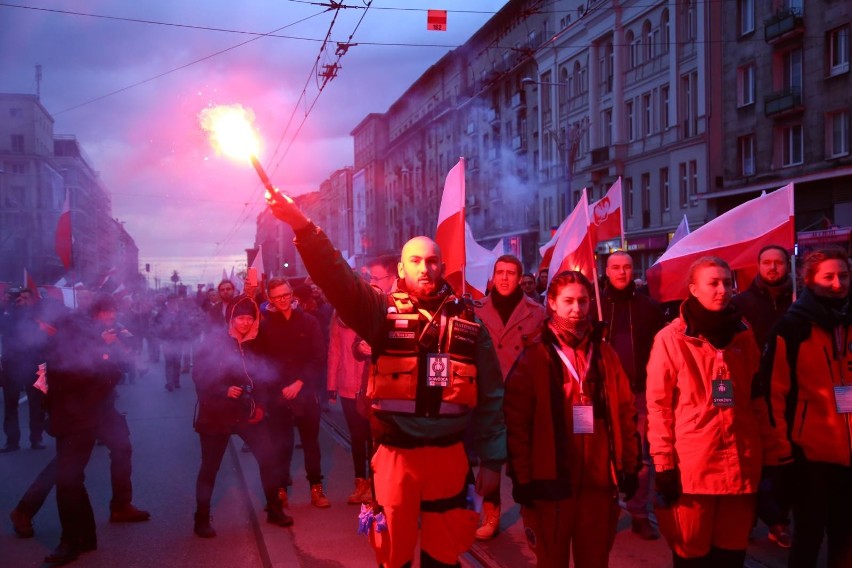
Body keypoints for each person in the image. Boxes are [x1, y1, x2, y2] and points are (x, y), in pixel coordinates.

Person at [266, 191, 505, 568]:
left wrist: (492, 461)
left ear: (442, 266)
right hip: (394, 458)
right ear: (401, 270)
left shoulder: (469, 323)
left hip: (452, 459)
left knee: (449, 550)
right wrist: (302, 226)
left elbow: (492, 395)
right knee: (391, 555)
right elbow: (336, 277)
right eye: (415, 261)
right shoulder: (380, 313)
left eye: (432, 261)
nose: (425, 268)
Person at [504, 270, 640, 567]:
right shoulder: (535, 355)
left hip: (598, 483)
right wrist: (522, 478)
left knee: (595, 561)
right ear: (551, 303)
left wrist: (629, 466)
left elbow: (626, 413)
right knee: (551, 561)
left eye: (582, 301)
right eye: (568, 301)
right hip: (550, 484)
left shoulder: (605, 354)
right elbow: (517, 425)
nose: (576, 309)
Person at [646, 257, 768, 567]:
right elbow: (659, 407)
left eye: (727, 282)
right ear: (693, 289)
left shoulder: (744, 333)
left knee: (730, 556)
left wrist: (771, 455)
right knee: (692, 557)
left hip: (741, 463)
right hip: (693, 469)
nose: (722, 290)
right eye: (713, 283)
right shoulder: (671, 339)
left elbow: (757, 399)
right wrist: (663, 466)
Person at [760, 248, 852, 568]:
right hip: (809, 456)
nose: (837, 283)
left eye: (843, 275)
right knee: (809, 539)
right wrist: (782, 456)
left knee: (846, 539)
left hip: (850, 456)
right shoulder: (792, 328)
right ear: (809, 280)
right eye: (828, 276)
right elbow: (773, 396)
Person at [42, 294, 150, 566]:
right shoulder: (70, 342)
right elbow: (53, 379)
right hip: (74, 416)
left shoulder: (82, 343)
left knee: (68, 480)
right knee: (70, 479)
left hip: (82, 417)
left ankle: (71, 540)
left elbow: (109, 373)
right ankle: (85, 536)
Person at [191, 295, 292, 537]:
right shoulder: (215, 341)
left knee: (268, 459)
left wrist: (261, 406)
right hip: (217, 413)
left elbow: (266, 377)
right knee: (210, 467)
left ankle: (274, 509)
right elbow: (199, 374)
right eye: (240, 318)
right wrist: (222, 389)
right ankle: (202, 518)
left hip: (247, 411)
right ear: (231, 319)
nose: (245, 323)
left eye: (250, 318)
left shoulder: (257, 341)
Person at [473, 254, 546, 540]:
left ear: (519, 278)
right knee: (488, 462)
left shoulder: (536, 312)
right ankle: (488, 515)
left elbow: (540, 359)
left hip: (521, 398)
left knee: (522, 464)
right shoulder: (476, 310)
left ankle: (530, 517)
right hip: (487, 398)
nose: (504, 278)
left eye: (511, 273)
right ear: (492, 277)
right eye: (500, 272)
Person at [730, 244, 794, 548]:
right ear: (758, 266)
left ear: (787, 265)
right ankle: (749, 520)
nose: (772, 268)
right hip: (752, 392)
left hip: (792, 394)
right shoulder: (741, 304)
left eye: (778, 262)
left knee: (784, 461)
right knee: (753, 461)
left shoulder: (798, 302)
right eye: (766, 262)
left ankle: (779, 519)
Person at [599, 251, 666, 540]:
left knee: (641, 457)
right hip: (603, 392)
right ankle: (608, 509)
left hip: (640, 393)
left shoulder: (649, 307)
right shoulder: (596, 306)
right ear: (606, 270)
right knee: (604, 453)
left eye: (627, 267)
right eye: (616, 267)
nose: (622, 272)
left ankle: (639, 513)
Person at [327, 254, 398, 505]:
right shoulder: (344, 312)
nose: (370, 282)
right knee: (358, 436)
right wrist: (331, 385)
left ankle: (377, 485)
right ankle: (361, 481)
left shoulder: (382, 306)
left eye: (373, 278)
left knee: (376, 438)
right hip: (352, 384)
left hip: (377, 384)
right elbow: (337, 349)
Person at [257, 278, 329, 508]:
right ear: (270, 299)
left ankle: (316, 488)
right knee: (282, 443)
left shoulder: (309, 321)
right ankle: (280, 489)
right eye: (277, 297)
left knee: (311, 442)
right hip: (277, 393)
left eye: (286, 295)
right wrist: (279, 387)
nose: (283, 300)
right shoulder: (265, 325)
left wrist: (300, 382)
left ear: (292, 294)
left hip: (305, 390)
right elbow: (262, 362)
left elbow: (318, 356)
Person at [0, 288, 50, 451]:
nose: (21, 300)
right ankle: (12, 441)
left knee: (37, 403)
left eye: (25, 298)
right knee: (10, 403)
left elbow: (46, 333)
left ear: (32, 300)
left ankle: (36, 438)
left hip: (35, 364)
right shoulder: (9, 314)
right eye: (19, 298)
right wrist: (5, 306)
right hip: (12, 363)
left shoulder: (39, 314)